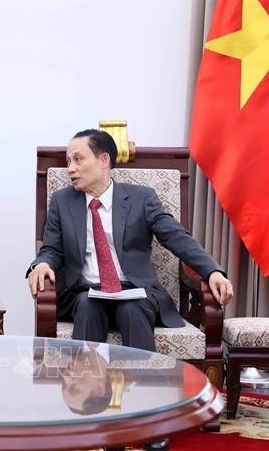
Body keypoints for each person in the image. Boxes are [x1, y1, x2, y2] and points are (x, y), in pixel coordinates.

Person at [27, 128, 234, 451]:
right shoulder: (62, 202)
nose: (70, 168)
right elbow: (51, 248)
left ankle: (148, 418)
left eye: (78, 159)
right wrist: (41, 264)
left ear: (103, 160)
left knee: (132, 307)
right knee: (88, 305)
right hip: (87, 292)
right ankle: (92, 414)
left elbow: (176, 237)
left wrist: (212, 270)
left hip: (136, 291)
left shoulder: (141, 198)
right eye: (68, 161)